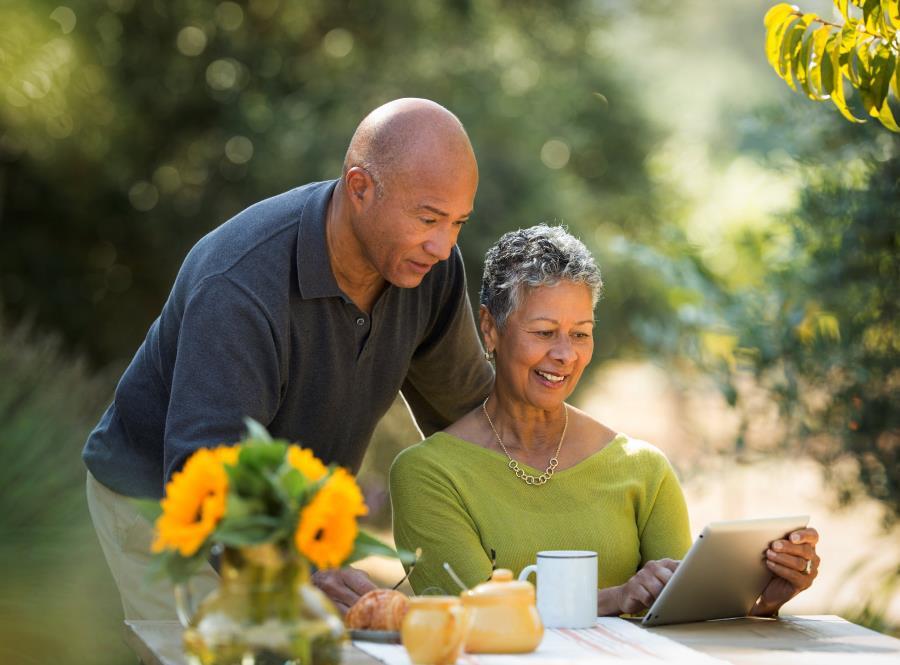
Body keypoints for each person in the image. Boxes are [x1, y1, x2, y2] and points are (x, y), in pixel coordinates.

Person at [82, 98, 494, 619]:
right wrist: (297, 574)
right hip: (165, 507)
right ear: (360, 188)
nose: (442, 244)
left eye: (458, 222)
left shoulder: (429, 269)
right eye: (429, 218)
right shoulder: (239, 285)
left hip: (293, 523)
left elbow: (472, 415)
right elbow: (203, 479)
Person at [390, 224, 819, 617]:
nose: (565, 354)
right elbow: (475, 616)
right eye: (543, 332)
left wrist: (762, 604)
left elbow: (686, 623)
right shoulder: (427, 474)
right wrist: (617, 597)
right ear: (490, 329)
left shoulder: (643, 469)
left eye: (580, 333)